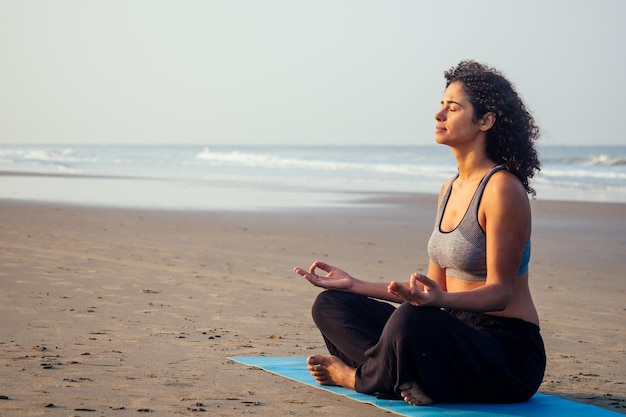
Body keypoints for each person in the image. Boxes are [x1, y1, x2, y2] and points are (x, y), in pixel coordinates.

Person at [293, 60, 545, 406]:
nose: (439, 115)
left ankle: (359, 378)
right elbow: (430, 288)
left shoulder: (502, 190)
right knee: (332, 305)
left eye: (453, 107)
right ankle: (406, 376)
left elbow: (499, 293)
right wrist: (355, 284)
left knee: (412, 320)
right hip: (447, 332)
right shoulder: (450, 189)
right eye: (441, 105)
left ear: (485, 121)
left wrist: (439, 302)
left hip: (505, 352)